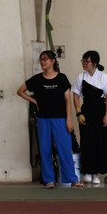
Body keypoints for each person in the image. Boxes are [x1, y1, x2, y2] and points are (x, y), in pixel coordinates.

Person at [16, 50, 85, 189]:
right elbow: (20, 91)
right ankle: (49, 180)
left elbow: (67, 101)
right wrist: (34, 101)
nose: (43, 62)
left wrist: (69, 120)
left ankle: (73, 180)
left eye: (46, 59)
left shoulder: (62, 78)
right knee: (45, 149)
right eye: (41, 59)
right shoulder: (36, 79)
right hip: (43, 120)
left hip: (60, 119)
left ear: (53, 61)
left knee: (64, 149)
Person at [72, 50, 107, 184]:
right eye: (82, 60)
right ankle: (89, 172)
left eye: (86, 61)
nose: (83, 63)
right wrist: (78, 113)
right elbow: (75, 95)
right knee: (88, 141)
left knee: (106, 141)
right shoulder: (80, 77)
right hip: (86, 111)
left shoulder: (103, 76)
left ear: (95, 63)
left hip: (101, 111)